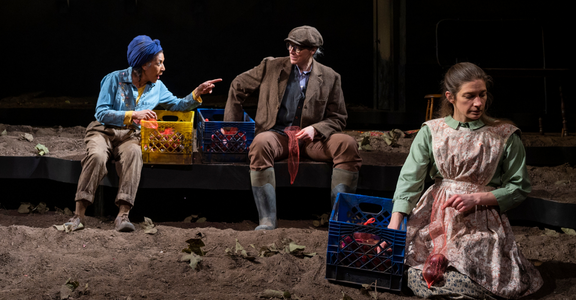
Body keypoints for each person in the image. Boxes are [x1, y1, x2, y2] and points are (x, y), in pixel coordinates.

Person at [387, 62, 542, 299]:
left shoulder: (504, 135)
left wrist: (478, 198)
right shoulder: (432, 131)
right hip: (435, 213)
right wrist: (396, 220)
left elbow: (519, 187)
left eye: (482, 95)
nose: (478, 103)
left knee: (470, 257)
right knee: (415, 256)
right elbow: (411, 178)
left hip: (480, 218)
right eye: (469, 96)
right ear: (450, 97)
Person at [66, 35, 221, 232]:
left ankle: (123, 215)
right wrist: (134, 114)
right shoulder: (114, 79)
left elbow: (178, 105)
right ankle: (78, 215)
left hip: (130, 135)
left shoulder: (157, 87)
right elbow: (101, 112)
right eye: (159, 63)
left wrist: (197, 93)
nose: (163, 68)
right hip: (103, 131)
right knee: (96, 156)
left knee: (134, 154)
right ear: (145, 64)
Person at [224, 25, 362, 230]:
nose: (292, 50)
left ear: (313, 50)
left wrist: (315, 129)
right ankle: (267, 220)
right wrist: (231, 129)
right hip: (276, 134)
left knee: (347, 144)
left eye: (298, 47)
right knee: (260, 144)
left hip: (311, 140)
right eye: (290, 45)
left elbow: (338, 118)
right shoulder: (270, 66)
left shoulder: (331, 77)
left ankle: (340, 221)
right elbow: (238, 85)